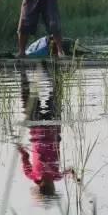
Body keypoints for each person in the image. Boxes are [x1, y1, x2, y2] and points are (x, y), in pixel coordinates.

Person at [16, 64, 77, 198]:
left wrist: (20, 149)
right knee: (56, 95)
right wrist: (75, 176)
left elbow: (25, 157)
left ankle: (23, 70)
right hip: (53, 129)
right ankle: (55, 68)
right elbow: (71, 170)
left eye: (48, 186)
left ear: (42, 186)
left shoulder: (31, 175)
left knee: (28, 98)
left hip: (36, 128)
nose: (50, 184)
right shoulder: (57, 176)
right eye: (51, 187)